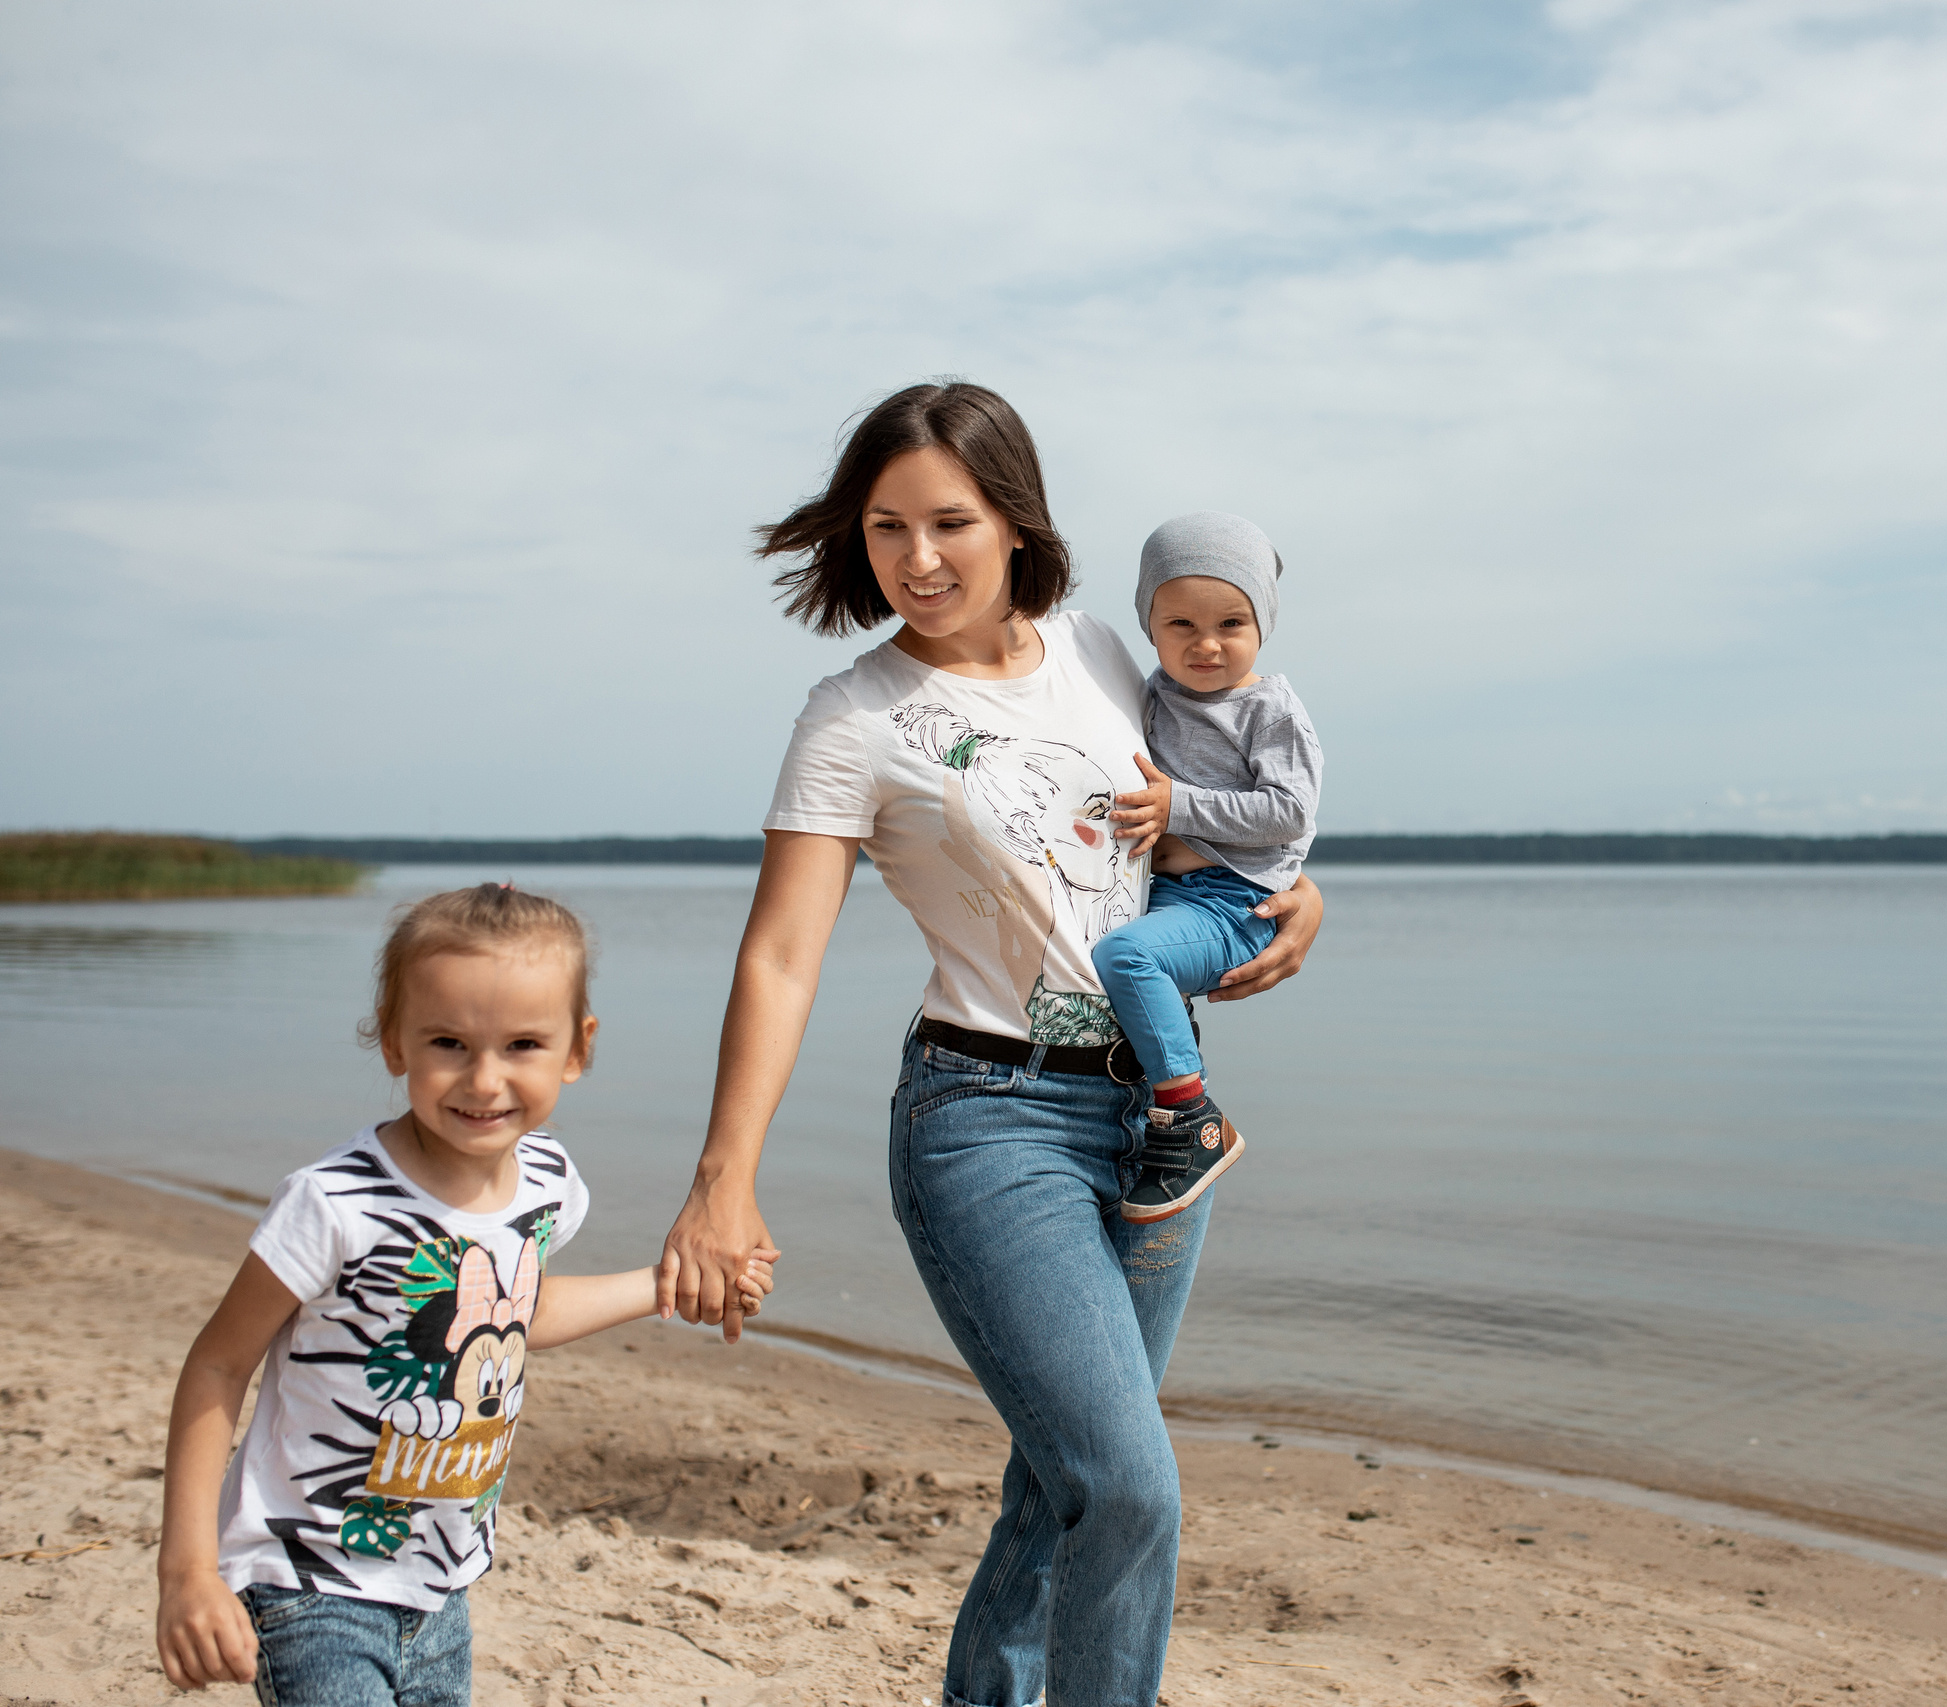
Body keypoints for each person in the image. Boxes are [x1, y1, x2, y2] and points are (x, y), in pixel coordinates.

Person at [655, 381, 1323, 1707]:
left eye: (950, 522)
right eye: (886, 526)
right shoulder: (853, 715)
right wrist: (723, 1178)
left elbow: (1202, 827)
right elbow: (781, 954)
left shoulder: (1106, 654)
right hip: (987, 1118)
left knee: (1060, 1488)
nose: (918, 558)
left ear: (1015, 521)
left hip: (1157, 1127)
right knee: (1124, 1486)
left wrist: (1302, 897)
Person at [153, 884, 773, 1704]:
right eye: (449, 1042)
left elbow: (514, 1314)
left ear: (577, 1048)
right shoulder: (334, 1204)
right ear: (393, 1039)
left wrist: (667, 1284)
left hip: (442, 1581)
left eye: (523, 1044)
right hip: (310, 1580)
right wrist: (188, 1571)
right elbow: (218, 1364)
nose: (485, 1080)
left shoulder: (547, 1182)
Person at [1093, 511, 1322, 1222]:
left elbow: (1290, 812)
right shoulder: (1151, 696)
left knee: (1126, 957)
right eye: (1181, 624)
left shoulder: (1269, 709)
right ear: (1149, 624)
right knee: (1123, 957)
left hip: (1233, 904)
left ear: (1263, 626)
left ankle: (1193, 1119)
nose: (1207, 643)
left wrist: (1178, 806)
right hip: (1169, 894)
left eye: (1230, 623)